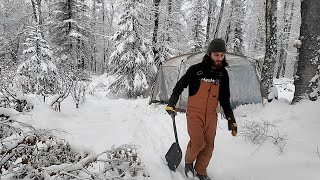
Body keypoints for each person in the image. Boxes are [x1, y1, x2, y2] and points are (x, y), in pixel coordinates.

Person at [165, 38, 237, 180]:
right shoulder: (196, 70)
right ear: (209, 54)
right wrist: (172, 102)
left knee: (209, 146)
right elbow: (180, 85)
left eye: (222, 55)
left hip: (211, 115)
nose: (219, 58)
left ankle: (201, 171)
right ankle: (188, 162)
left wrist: (231, 119)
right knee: (198, 143)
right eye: (216, 55)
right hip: (194, 113)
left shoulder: (223, 74)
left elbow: (224, 99)